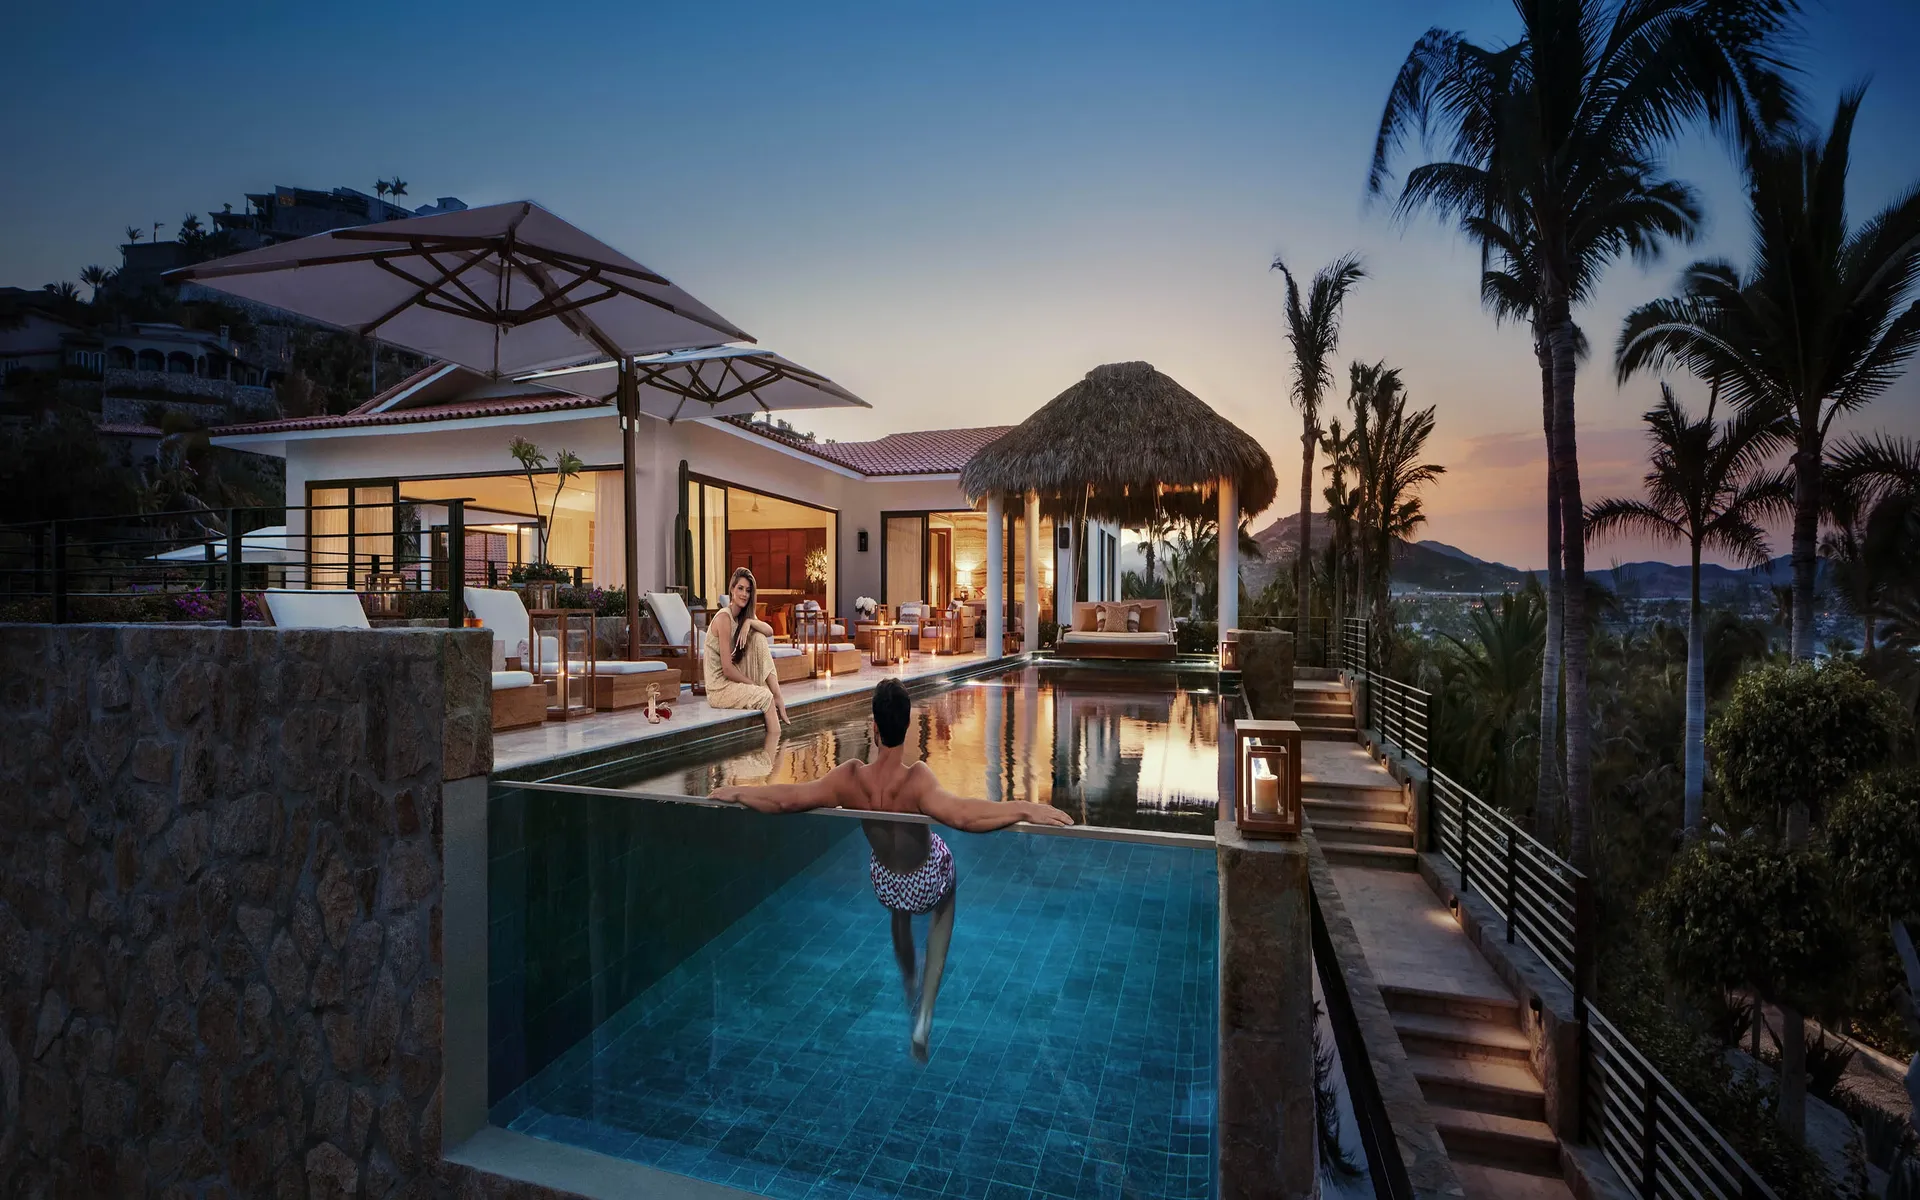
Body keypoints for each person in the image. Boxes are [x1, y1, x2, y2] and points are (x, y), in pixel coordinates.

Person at [710, 678, 1071, 1061]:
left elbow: (789, 800)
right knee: (944, 902)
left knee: (899, 908)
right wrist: (1023, 807)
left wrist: (739, 792)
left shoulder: (850, 778)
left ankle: (908, 978)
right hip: (925, 883)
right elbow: (965, 815)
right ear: (908, 726)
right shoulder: (916, 779)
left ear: (874, 727)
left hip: (885, 882)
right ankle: (926, 1012)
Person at [703, 567, 791, 736]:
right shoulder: (724, 618)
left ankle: (778, 694)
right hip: (719, 689)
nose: (744, 594)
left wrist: (749, 622)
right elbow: (727, 669)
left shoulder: (744, 616)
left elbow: (769, 631)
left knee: (758, 637)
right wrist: (753, 685)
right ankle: (776, 751)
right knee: (765, 696)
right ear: (732, 589)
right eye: (740, 588)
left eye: (748, 590)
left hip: (733, 677)